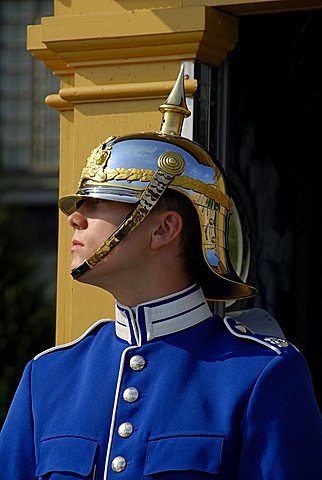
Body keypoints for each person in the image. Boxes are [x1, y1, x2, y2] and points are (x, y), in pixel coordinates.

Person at [1, 66, 321, 480]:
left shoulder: (262, 373)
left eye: (98, 203)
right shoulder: (46, 377)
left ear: (165, 229)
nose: (74, 219)